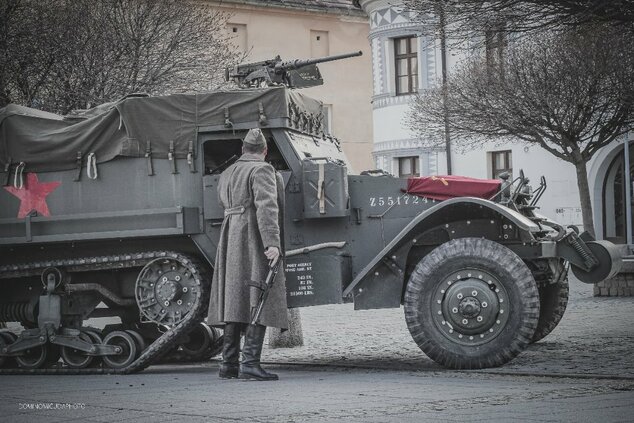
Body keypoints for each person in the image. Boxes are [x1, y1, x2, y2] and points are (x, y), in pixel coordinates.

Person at [207, 128, 288, 381]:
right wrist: (272, 243)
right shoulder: (262, 169)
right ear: (264, 151)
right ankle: (250, 363)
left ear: (243, 149)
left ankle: (228, 364)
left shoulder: (227, 173)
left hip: (231, 237)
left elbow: (224, 203)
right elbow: (267, 208)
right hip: (253, 237)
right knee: (259, 295)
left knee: (235, 299)